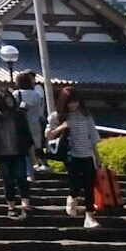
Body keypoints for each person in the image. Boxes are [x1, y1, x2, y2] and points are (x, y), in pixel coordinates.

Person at [47, 85, 103, 229]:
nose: (74, 105)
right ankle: (72, 197)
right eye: (70, 102)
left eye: (76, 101)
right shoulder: (57, 116)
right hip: (70, 154)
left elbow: (93, 136)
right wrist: (62, 126)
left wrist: (97, 156)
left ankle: (89, 216)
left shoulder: (85, 115)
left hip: (86, 154)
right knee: (75, 183)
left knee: (89, 185)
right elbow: (48, 135)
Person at [0, 89, 32, 219]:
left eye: (10, 98)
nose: (9, 101)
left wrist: (33, 157)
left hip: (18, 152)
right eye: (6, 99)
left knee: (22, 178)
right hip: (1, 153)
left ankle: (25, 205)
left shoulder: (19, 115)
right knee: (8, 180)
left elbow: (27, 136)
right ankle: (11, 206)